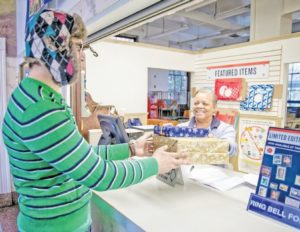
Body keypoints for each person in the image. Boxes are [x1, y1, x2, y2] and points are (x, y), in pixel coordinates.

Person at [1, 9, 188, 232]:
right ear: (54, 45)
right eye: (78, 46)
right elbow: (99, 175)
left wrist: (130, 149)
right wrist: (156, 164)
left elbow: (78, 156)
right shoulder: (41, 108)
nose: (81, 56)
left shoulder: (38, 96)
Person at [178, 88, 237, 156]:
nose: (199, 106)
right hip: (187, 166)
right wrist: (166, 135)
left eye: (205, 104)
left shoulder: (225, 129)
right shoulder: (181, 128)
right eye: (196, 103)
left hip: (215, 167)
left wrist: (218, 143)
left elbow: (233, 149)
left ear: (214, 108)